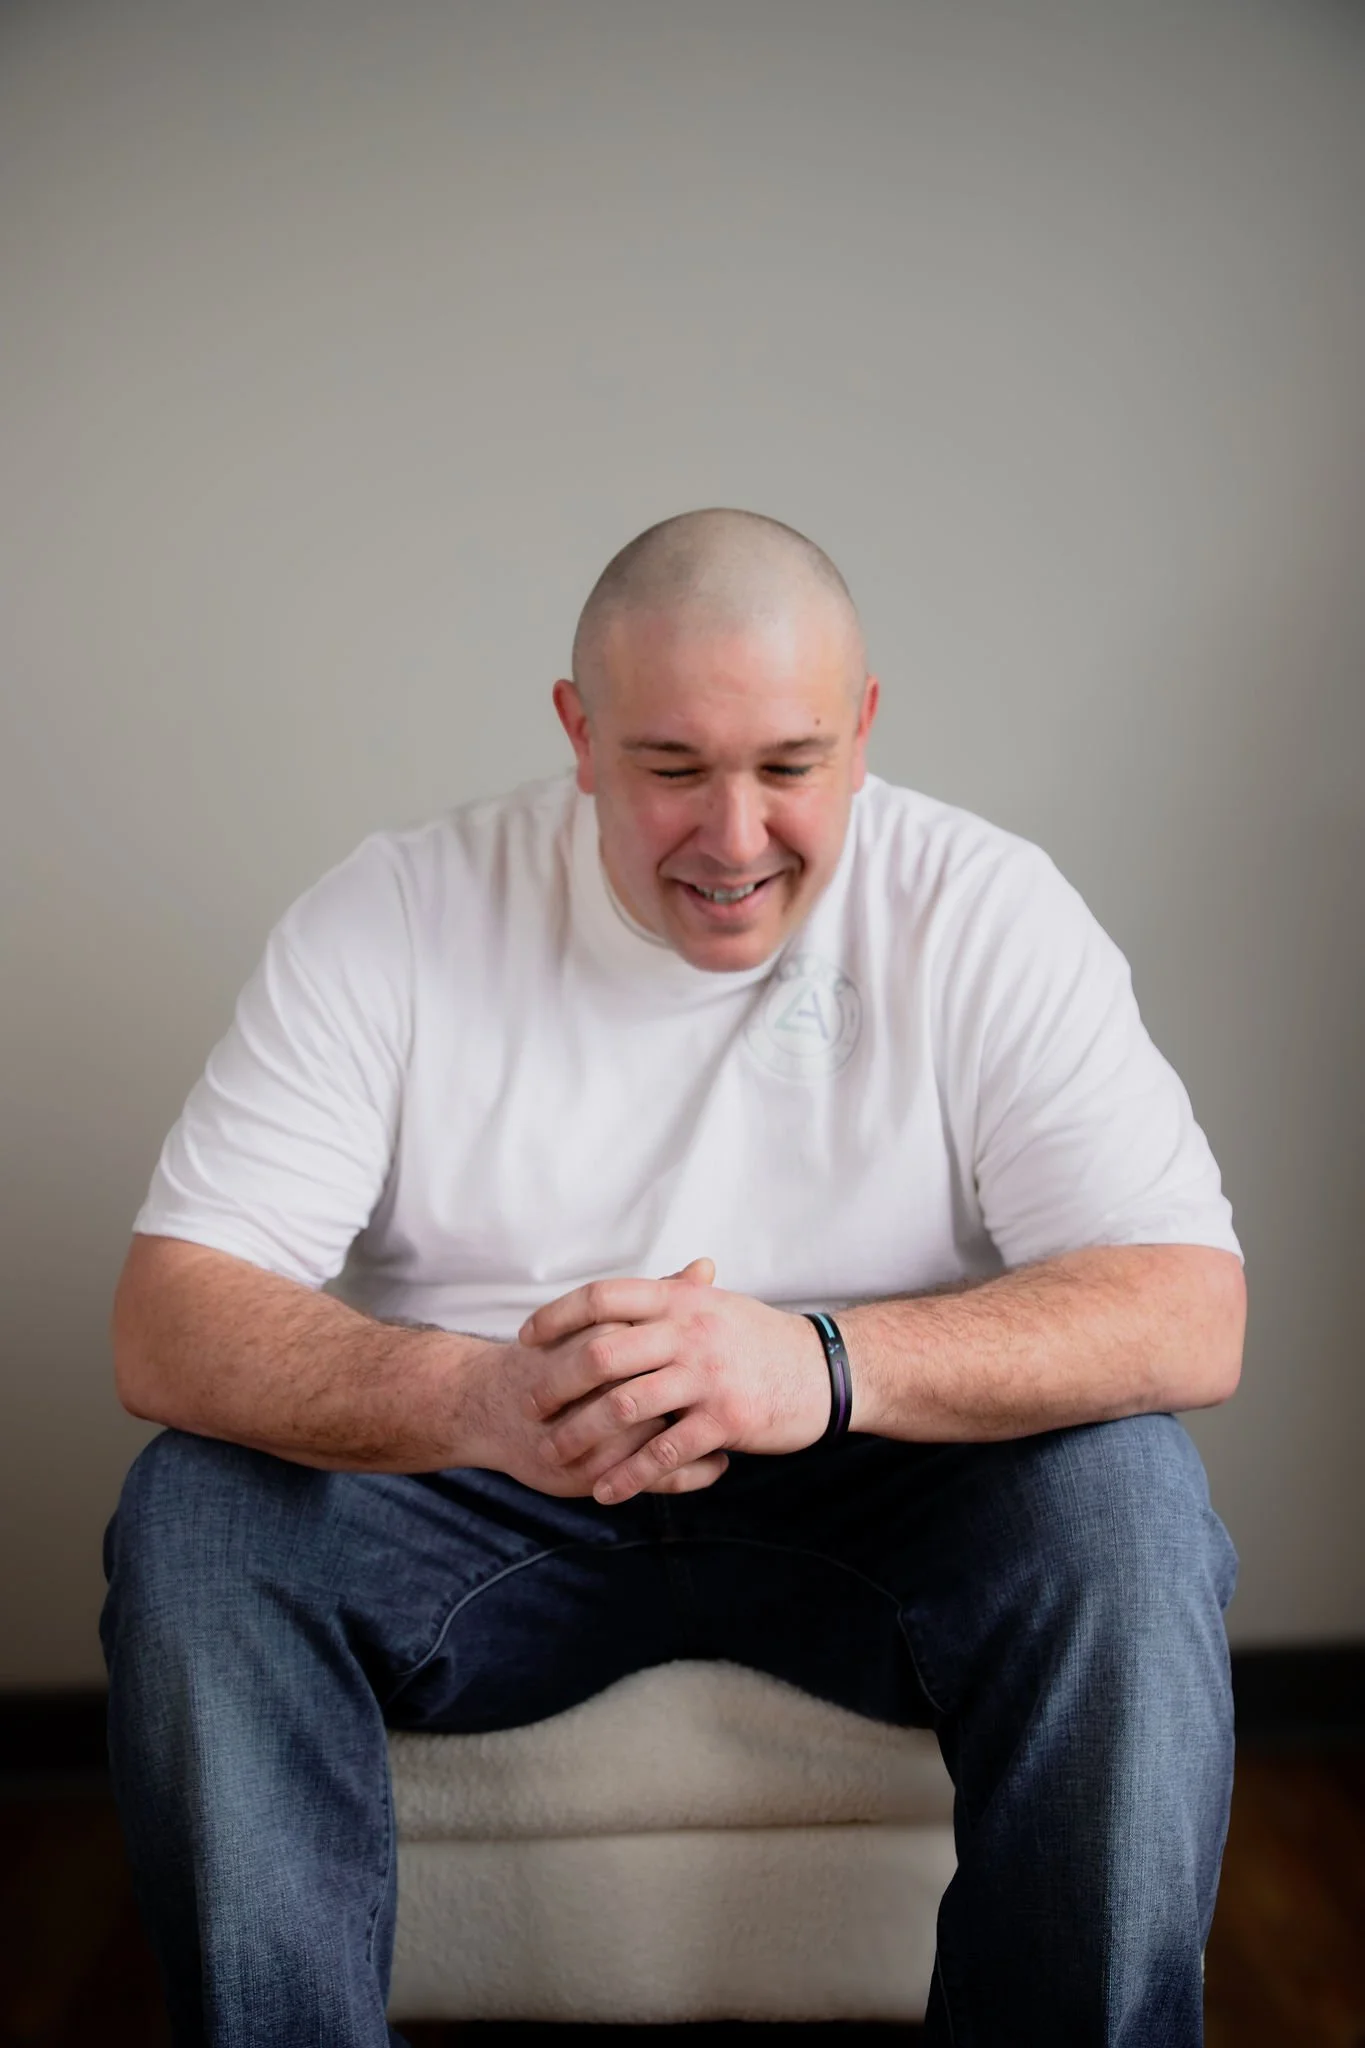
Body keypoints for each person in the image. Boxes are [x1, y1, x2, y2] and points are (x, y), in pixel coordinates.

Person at [101, 507, 1245, 2047]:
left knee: (1133, 1501)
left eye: (788, 766)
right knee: (199, 1513)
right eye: (671, 770)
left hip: (877, 1483)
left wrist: (820, 1366)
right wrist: (482, 1396)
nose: (733, 837)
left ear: (864, 731)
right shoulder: (395, 914)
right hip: (493, 1489)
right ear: (578, 734)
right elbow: (170, 1317)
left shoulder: (985, 910)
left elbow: (1191, 1304)